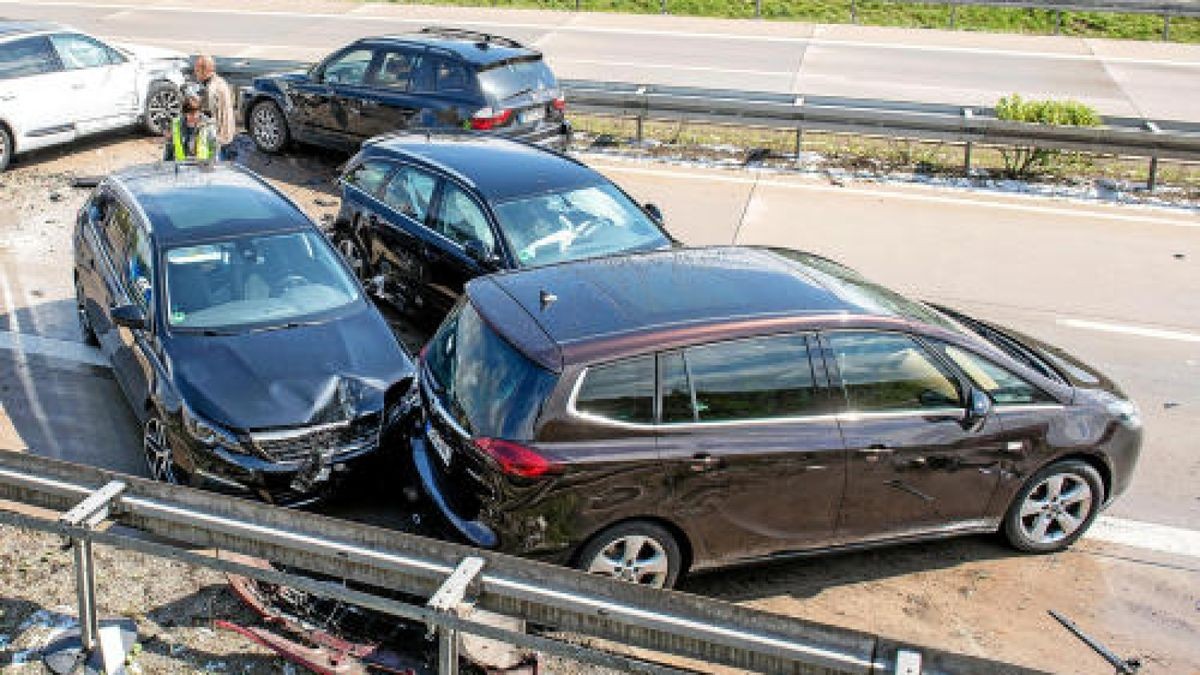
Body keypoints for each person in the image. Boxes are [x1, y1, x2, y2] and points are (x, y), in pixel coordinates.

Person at [193, 55, 236, 161]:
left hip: (218, 139)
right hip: (228, 135)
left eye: (197, 70)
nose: (195, 73)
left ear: (205, 71)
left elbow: (207, 118)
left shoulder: (210, 89)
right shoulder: (221, 81)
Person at [163, 95, 217, 162]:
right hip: (182, 167)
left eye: (196, 113)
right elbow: (169, 149)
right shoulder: (176, 125)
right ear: (185, 113)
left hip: (201, 167)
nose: (194, 116)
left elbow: (214, 148)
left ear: (200, 111)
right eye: (191, 114)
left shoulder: (208, 126)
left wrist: (211, 165)